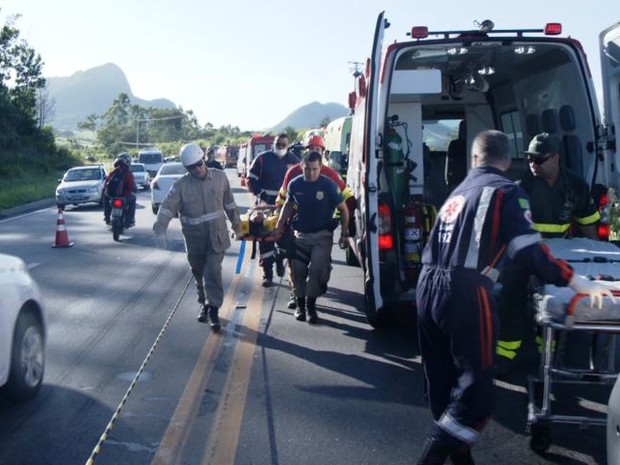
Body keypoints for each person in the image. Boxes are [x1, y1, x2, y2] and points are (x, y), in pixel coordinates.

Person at [414, 130, 612, 464]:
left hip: (426, 286)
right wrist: (578, 282)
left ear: (475, 158)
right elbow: (528, 251)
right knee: (476, 398)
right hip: (465, 290)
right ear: (508, 160)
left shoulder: (457, 193)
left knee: (443, 385)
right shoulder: (508, 191)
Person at [496, 132, 601, 369]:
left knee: (553, 305)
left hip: (557, 255)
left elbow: (588, 226)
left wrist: (593, 260)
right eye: (529, 159)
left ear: (555, 158)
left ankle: (548, 355)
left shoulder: (574, 185)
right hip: (523, 256)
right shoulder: (521, 189)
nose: (532, 164)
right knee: (511, 303)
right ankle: (504, 356)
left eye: (538, 159)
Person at [152, 143, 242, 332]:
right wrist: (160, 229)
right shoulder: (180, 186)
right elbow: (167, 208)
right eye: (192, 167)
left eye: (199, 163)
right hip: (195, 241)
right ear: (186, 168)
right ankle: (204, 303)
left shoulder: (220, 178)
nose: (198, 169)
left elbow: (231, 206)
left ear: (204, 159)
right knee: (199, 274)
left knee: (213, 272)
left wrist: (238, 227)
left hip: (217, 238)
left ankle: (214, 310)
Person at [276, 134, 357, 311]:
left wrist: (347, 228)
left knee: (318, 268)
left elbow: (348, 200)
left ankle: (310, 299)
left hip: (322, 230)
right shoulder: (293, 174)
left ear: (323, 153)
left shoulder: (330, 176)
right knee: (295, 265)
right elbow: (283, 201)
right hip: (297, 227)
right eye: (310, 149)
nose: (314, 152)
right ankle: (297, 296)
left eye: (317, 149)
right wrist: (279, 225)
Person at [246, 133, 300, 287]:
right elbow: (251, 178)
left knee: (287, 238)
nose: (280, 148)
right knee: (265, 238)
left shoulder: (294, 161)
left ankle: (280, 257)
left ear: (288, 146)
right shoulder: (262, 159)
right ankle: (267, 274)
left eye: (283, 145)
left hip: (287, 205)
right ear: (273, 144)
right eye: (278, 144)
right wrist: (260, 193)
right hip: (265, 204)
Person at [103, 153, 137, 227]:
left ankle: (107, 217)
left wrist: (106, 191)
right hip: (125, 196)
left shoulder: (113, 172)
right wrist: (135, 189)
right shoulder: (128, 173)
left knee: (106, 199)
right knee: (133, 199)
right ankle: (130, 219)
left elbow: (106, 184)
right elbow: (132, 186)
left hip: (112, 196)